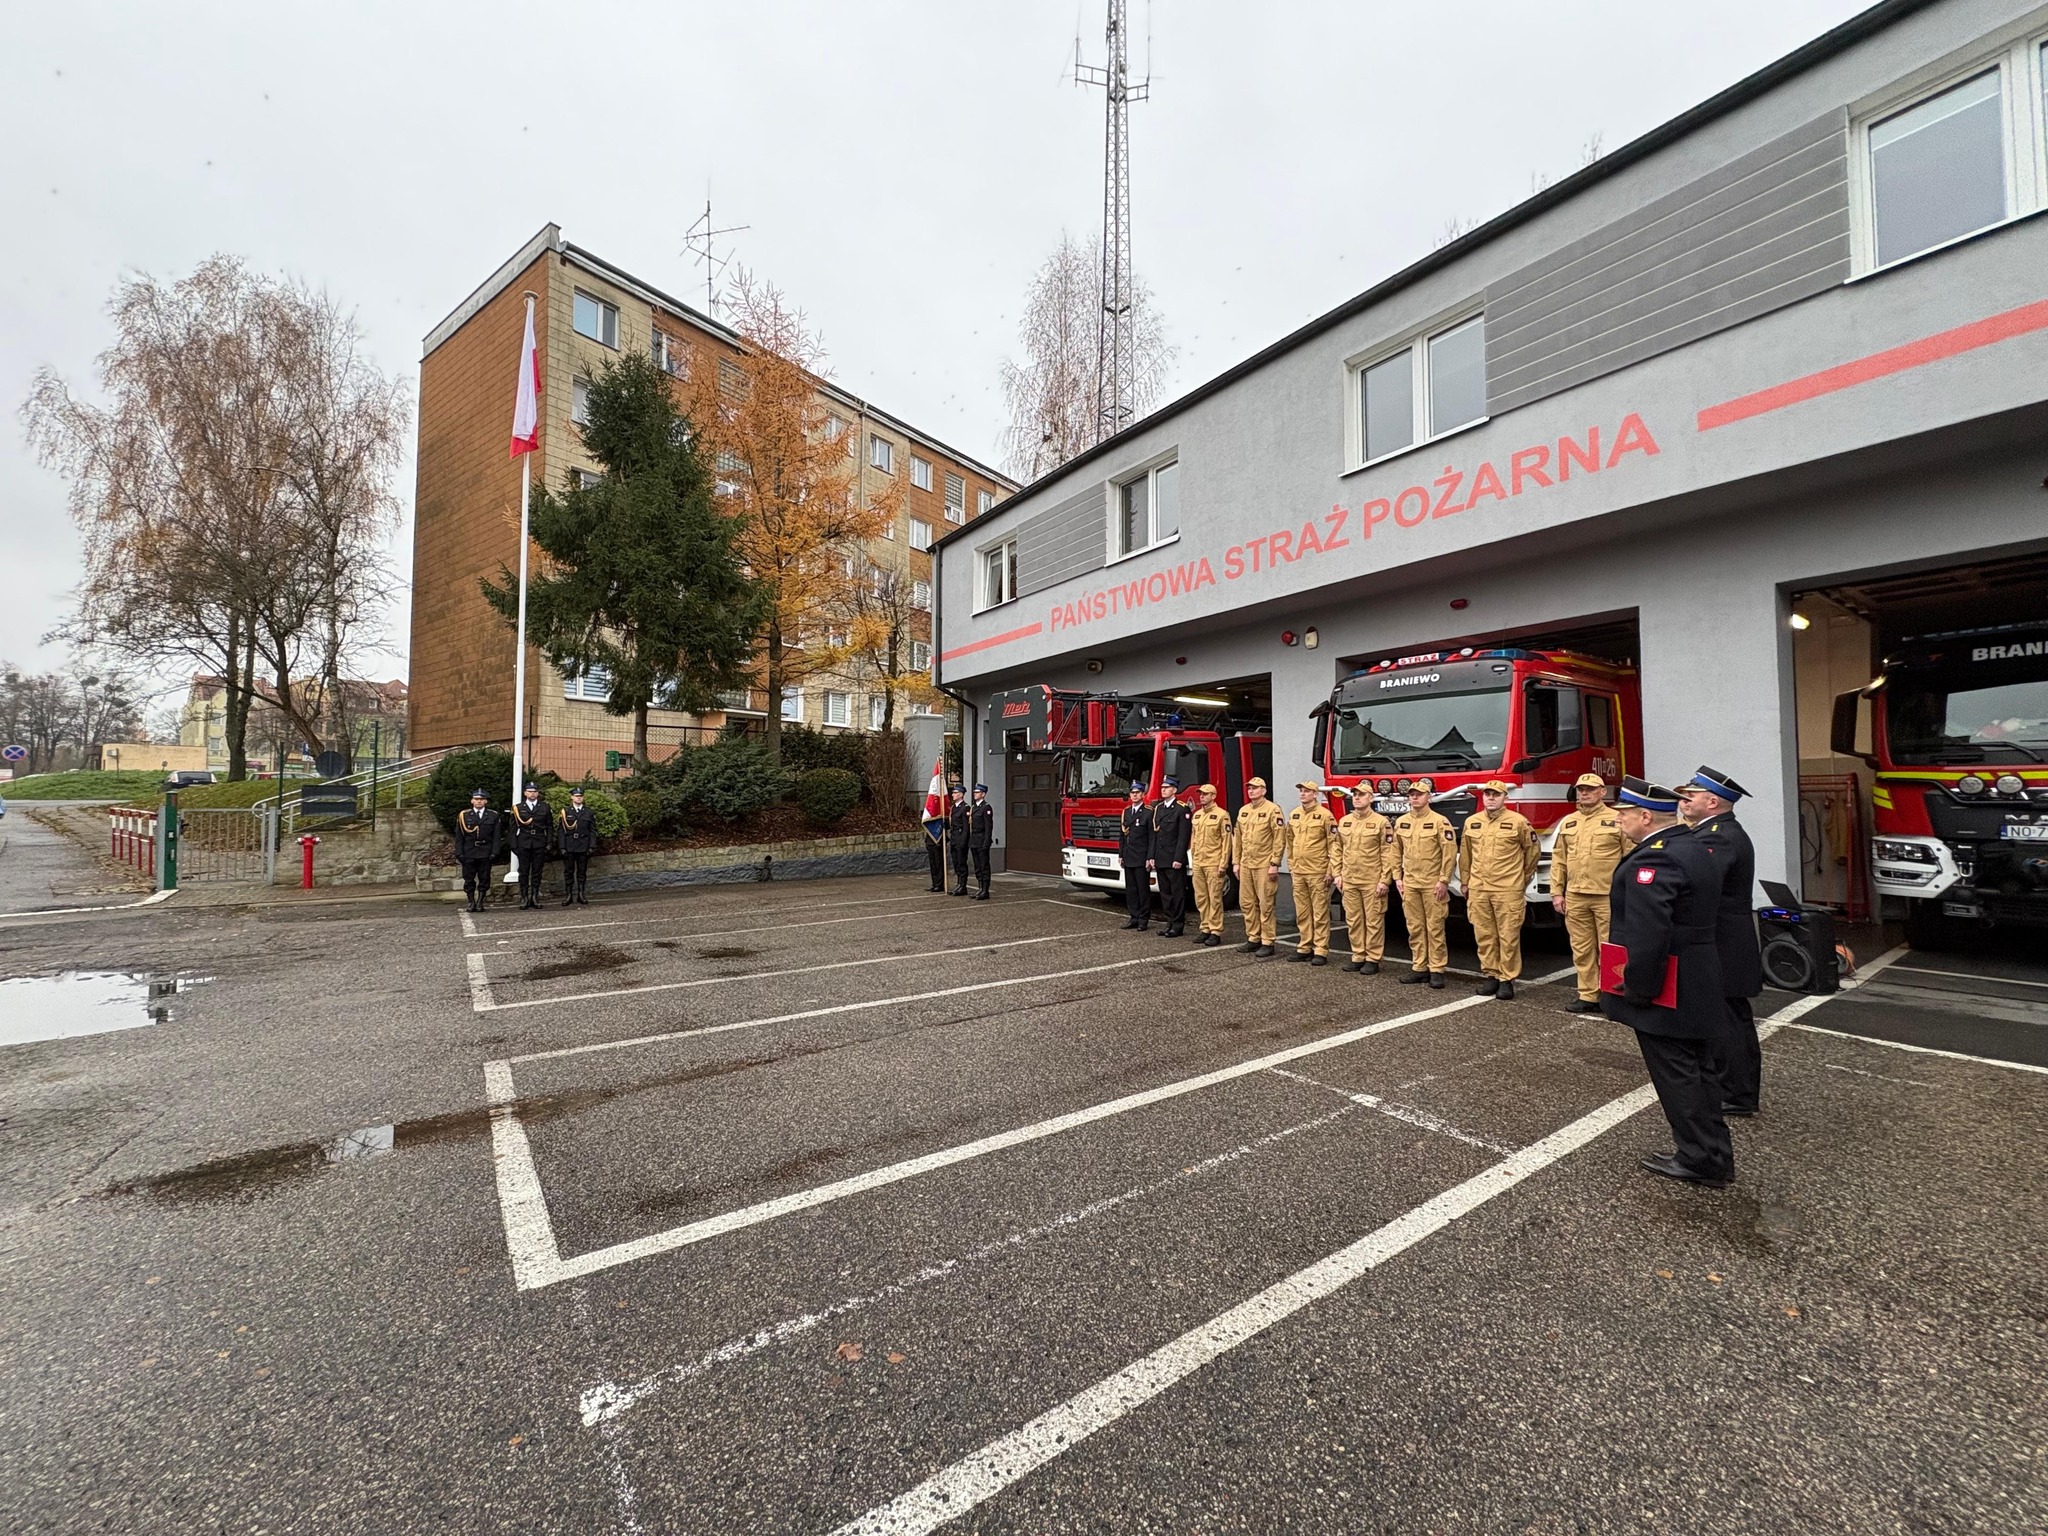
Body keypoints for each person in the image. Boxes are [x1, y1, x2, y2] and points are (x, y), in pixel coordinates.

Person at [1602, 777, 1733, 1188]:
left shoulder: (1656, 860)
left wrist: (1639, 988)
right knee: (1700, 1069)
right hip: (1697, 971)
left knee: (1678, 1073)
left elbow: (1648, 934)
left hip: (1670, 980)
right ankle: (1712, 1152)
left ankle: (1700, 1158)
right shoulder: (1692, 845)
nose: (1618, 820)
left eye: (1624, 814)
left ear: (1645, 816)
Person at [1679, 766, 1765, 1119]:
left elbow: (1697, 883)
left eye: (1691, 796)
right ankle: (1730, 1087)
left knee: (1729, 1021)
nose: (1684, 801)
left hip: (1723, 941)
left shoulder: (1719, 837)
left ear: (1712, 802)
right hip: (1722, 939)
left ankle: (1738, 1093)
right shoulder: (1711, 832)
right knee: (1724, 1017)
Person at [1551, 772, 1630, 1014]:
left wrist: (1628, 893)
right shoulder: (1569, 822)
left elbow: (1630, 857)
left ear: (1602, 792)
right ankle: (1588, 995)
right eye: (1581, 789)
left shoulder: (1617, 819)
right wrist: (1557, 892)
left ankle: (1612, 996)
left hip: (1606, 895)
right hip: (1576, 894)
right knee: (1582, 948)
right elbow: (1559, 859)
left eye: (1591, 789)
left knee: (1611, 948)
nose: (1584, 793)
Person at [1458, 779, 1539, 1000]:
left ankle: (1507, 979)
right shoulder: (1472, 822)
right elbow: (1466, 855)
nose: (1491, 798)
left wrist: (1521, 879)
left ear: (1505, 797)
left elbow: (1532, 852)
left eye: (1496, 794)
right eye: (1488, 794)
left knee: (1508, 935)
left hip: (1507, 889)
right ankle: (1491, 975)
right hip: (1479, 888)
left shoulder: (1518, 822)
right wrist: (1465, 882)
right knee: (1484, 934)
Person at [1391, 779, 1455, 988]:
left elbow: (1449, 853)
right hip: (1410, 883)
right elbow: (1395, 851)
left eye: (1419, 794)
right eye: (1412, 794)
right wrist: (1397, 877)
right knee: (1415, 927)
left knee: (1435, 927)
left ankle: (1436, 969)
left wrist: (1444, 880)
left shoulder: (1439, 821)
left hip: (1432, 883)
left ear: (1429, 797)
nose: (1415, 797)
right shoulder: (1402, 822)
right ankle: (1419, 967)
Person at [1332, 785, 1393, 973]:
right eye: (1355, 795)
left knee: (1373, 920)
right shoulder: (1345, 821)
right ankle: (1358, 955)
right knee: (1353, 919)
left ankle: (1373, 958)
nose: (1357, 798)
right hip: (1349, 879)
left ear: (1371, 798)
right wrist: (1337, 874)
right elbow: (1337, 849)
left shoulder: (1381, 822)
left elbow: (1388, 853)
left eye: (1361, 795)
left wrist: (1385, 880)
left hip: (1371, 880)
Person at [1284, 780, 1337, 965]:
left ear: (1315, 794)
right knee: (1303, 911)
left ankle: (1320, 949)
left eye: (1307, 791)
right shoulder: (1295, 814)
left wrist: (1330, 870)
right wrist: (1291, 864)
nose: (1303, 794)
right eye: (1301, 791)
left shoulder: (1325, 815)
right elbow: (1290, 841)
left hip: (1317, 871)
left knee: (1319, 912)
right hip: (1299, 871)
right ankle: (1305, 946)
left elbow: (1333, 844)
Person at [1233, 776, 1285, 958]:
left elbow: (1279, 838)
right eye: (1249, 788)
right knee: (1247, 903)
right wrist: (1236, 862)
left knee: (1265, 904)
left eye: (1255, 788)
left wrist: (1275, 863)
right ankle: (1253, 937)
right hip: (1246, 863)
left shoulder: (1273, 810)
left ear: (1263, 790)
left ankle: (1267, 941)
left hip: (1264, 864)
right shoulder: (1244, 810)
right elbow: (1237, 838)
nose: (1251, 791)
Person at [1187, 784, 1234, 947]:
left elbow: (1227, 841)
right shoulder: (1197, 815)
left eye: (1205, 794)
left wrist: (1223, 864)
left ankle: (1215, 931)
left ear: (1213, 796)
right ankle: (1205, 927)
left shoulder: (1222, 815)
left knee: (1215, 898)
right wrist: (1193, 859)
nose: (1201, 797)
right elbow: (1193, 838)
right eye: (1200, 794)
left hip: (1213, 862)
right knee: (1201, 897)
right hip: (1199, 862)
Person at [1148, 776, 1193, 938]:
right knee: (1165, 893)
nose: (1163, 790)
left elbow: (1183, 837)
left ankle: (1178, 925)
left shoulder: (1182, 809)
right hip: (1161, 858)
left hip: (1174, 859)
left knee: (1177, 893)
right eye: (1162, 787)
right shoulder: (1159, 808)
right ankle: (1169, 923)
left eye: (1167, 788)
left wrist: (1178, 858)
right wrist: (1152, 856)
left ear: (1174, 790)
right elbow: (1155, 835)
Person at [453, 787, 501, 913]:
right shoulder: (464, 816)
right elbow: (459, 836)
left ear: (486, 801)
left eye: (481, 799)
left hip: (485, 851)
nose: (479, 801)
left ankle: (480, 901)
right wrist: (459, 852)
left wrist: (494, 852)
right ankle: (471, 901)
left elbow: (496, 836)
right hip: (469, 851)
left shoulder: (493, 815)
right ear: (472, 801)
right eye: (476, 799)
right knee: (469, 878)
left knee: (484, 878)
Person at [508, 782, 551, 910]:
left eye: (534, 791)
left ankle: (534, 896)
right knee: (524, 871)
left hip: (539, 841)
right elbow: (512, 828)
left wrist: (549, 842)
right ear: (525, 793)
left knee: (537, 871)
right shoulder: (518, 808)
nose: (532, 794)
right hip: (523, 842)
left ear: (538, 793)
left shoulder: (544, 807)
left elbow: (549, 826)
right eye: (530, 791)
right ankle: (524, 897)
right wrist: (513, 845)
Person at [1117, 781, 1154, 930]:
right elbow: (1122, 835)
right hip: (1128, 856)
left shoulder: (1148, 812)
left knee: (1142, 890)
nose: (1134, 795)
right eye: (1132, 793)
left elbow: (1152, 837)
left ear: (1143, 794)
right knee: (1131, 890)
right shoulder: (1126, 812)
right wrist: (1121, 854)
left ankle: (1143, 919)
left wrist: (1150, 857)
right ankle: (1134, 917)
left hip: (1141, 857)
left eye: (1137, 793)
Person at [557, 786, 597, 906]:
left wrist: (592, 846)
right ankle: (568, 895)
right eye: (576, 796)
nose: (578, 798)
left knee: (582, 871)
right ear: (572, 797)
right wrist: (562, 847)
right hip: (569, 845)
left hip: (583, 845)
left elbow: (592, 830)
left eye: (580, 796)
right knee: (568, 872)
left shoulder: (588, 812)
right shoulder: (566, 812)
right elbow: (561, 831)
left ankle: (581, 894)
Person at [921, 758, 949, 893]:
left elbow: (949, 823)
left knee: (939, 862)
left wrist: (945, 825)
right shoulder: (931, 805)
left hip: (939, 839)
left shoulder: (943, 807)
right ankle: (934, 883)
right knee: (932, 863)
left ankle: (940, 883)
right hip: (931, 840)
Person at [967, 783, 996, 900]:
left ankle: (985, 890)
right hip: (974, 840)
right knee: (978, 866)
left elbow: (988, 827)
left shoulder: (986, 808)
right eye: (974, 792)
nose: (975, 794)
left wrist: (986, 842)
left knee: (984, 866)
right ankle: (980, 888)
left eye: (977, 792)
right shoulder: (973, 808)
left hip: (982, 839)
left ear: (983, 794)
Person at [946, 784, 972, 896]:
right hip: (954, 837)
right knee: (956, 862)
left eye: (955, 793)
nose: (953, 794)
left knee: (961, 863)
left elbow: (966, 827)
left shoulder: (965, 808)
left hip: (961, 838)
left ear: (961, 795)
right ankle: (958, 884)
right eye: (953, 793)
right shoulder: (954, 808)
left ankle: (962, 886)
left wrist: (963, 841)